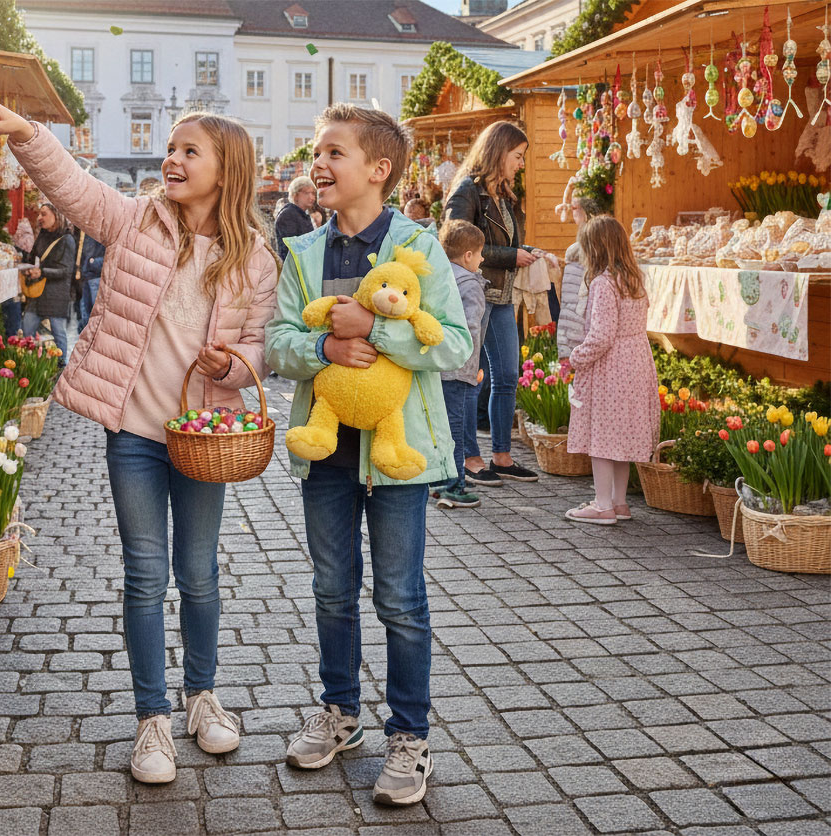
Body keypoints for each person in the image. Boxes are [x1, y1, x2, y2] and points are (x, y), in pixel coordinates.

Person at [0, 85, 279, 785]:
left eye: (187, 151)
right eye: (170, 148)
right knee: (146, 574)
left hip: (204, 433)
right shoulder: (137, 220)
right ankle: (153, 721)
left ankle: (202, 697)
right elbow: (75, 189)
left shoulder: (254, 257)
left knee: (198, 573)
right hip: (136, 434)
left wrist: (238, 364)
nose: (171, 159)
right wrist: (25, 133)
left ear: (226, 171)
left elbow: (263, 343)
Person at [265, 103, 470, 807]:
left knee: (401, 598)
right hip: (326, 452)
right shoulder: (304, 252)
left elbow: (453, 342)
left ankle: (410, 738)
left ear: (378, 170)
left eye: (332, 153)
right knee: (331, 589)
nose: (316, 164)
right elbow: (278, 344)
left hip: (397, 455)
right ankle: (342, 716)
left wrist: (377, 334)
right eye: (314, 152)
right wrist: (326, 344)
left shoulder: (418, 245)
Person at [444, 121, 547, 487]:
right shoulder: (467, 191)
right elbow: (454, 244)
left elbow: (502, 244)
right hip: (475, 295)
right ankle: (470, 458)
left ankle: (502, 456)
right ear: (498, 152)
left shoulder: (505, 195)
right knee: (470, 379)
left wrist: (526, 252)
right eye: (517, 156)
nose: (521, 164)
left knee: (506, 378)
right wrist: (509, 255)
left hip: (502, 296)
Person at [565, 215, 659, 524]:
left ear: (596, 249)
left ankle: (602, 504)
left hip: (610, 367)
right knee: (621, 436)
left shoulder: (604, 284)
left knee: (602, 436)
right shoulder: (635, 279)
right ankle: (619, 502)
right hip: (636, 361)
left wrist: (576, 357)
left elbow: (602, 336)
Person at [435, 219, 490, 510]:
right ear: (468, 255)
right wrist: (472, 364)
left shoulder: (439, 276)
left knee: (440, 426)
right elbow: (471, 328)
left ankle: (437, 481)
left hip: (436, 364)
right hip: (457, 367)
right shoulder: (471, 285)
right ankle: (454, 486)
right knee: (455, 428)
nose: (482, 260)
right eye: (480, 254)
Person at [24, 203, 76, 363]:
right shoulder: (42, 235)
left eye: (44, 214)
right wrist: (28, 267)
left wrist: (42, 272)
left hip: (56, 294)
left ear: (56, 215)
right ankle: (28, 363)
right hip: (38, 292)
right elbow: (32, 257)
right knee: (27, 329)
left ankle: (61, 366)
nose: (40, 218)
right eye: (39, 214)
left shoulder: (67, 240)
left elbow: (66, 271)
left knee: (58, 333)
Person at [557, 197, 605, 360]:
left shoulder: (588, 242)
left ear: (586, 213)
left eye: (574, 207)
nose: (571, 211)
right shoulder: (586, 242)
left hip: (578, 307)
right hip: (575, 305)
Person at [76, 230, 106, 332]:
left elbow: (112, 255)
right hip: (86, 276)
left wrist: (92, 263)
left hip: (96, 276)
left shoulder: (102, 228)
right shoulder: (85, 229)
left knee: (95, 314)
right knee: (85, 312)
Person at [275, 176, 317, 245]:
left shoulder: (302, 214)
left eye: (313, 193)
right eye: (306, 193)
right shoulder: (288, 215)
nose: (311, 197)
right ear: (295, 195)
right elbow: (293, 247)